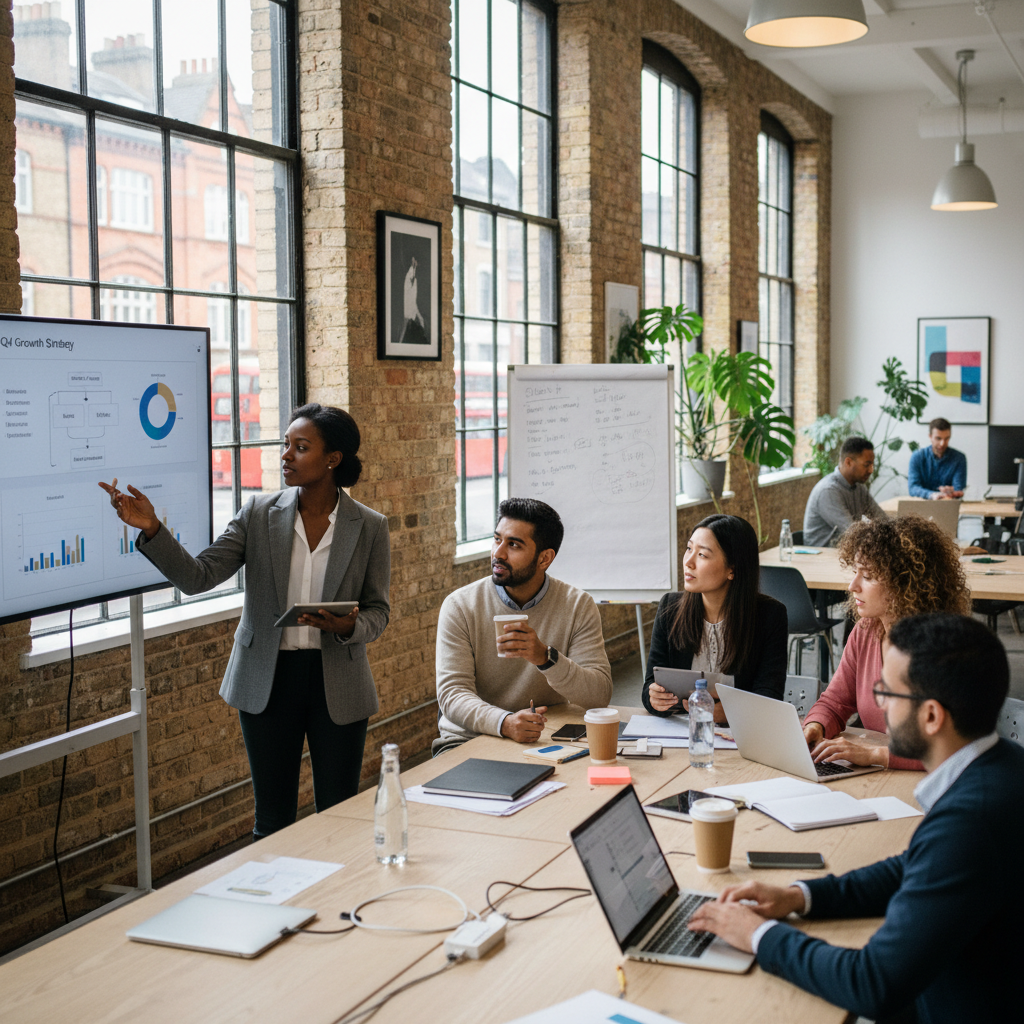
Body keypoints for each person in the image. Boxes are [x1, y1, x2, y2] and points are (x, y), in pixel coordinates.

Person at [689, 612, 1021, 1024]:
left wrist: (758, 935)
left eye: (887, 692)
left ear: (932, 716)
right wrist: (800, 897)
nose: (877, 702)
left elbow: (872, 984)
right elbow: (916, 866)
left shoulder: (971, 823)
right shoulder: (1004, 768)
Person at [99, 403, 390, 838]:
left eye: (300, 447)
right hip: (267, 681)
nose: (286, 455)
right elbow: (198, 577)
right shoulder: (258, 514)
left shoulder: (369, 526)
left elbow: (378, 612)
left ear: (333, 459)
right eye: (284, 445)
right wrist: (153, 529)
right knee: (272, 821)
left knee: (340, 817)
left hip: (339, 682)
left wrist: (348, 627)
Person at [434, 498, 612, 754]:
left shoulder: (577, 605)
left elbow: (598, 695)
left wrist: (545, 658)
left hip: (545, 737)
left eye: (514, 545)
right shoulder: (460, 606)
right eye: (497, 539)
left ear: (544, 559)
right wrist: (504, 723)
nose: (498, 553)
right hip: (468, 740)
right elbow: (453, 695)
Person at [802, 514, 971, 770]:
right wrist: (816, 726)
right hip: (882, 778)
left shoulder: (944, 645)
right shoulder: (866, 630)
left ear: (905, 582)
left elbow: (950, 749)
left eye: (867, 576)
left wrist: (874, 755)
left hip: (931, 784)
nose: (852, 586)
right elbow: (835, 702)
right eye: (855, 572)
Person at [642, 515, 787, 723]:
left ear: (732, 569)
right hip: (680, 731)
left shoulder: (769, 616)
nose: (688, 562)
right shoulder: (670, 608)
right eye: (689, 549)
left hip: (740, 737)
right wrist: (654, 698)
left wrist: (732, 713)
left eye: (702, 554)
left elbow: (770, 696)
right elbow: (650, 686)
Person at [803, 436, 885, 547]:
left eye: (872, 465)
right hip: (823, 559)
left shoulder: (859, 487)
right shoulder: (828, 491)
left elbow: (882, 519)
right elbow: (853, 532)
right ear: (848, 462)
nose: (871, 470)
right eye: (866, 465)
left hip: (844, 555)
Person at [908, 416, 967, 499]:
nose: (942, 443)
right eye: (938, 438)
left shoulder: (959, 458)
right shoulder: (917, 457)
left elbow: (959, 488)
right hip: (922, 506)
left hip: (948, 506)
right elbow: (913, 488)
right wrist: (932, 495)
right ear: (930, 437)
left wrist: (952, 491)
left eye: (946, 438)